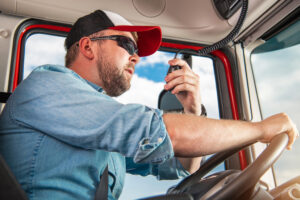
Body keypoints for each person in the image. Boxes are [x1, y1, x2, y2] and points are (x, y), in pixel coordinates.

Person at [0, 10, 298, 200]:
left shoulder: (95, 120)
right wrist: (261, 129)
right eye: (127, 45)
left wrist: (192, 110)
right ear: (88, 46)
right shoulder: (48, 85)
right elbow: (168, 134)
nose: (136, 57)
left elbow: (180, 167)